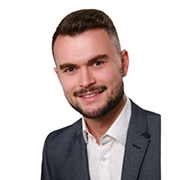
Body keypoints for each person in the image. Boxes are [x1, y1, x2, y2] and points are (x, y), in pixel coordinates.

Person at [41, 9, 161, 180]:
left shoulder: (166, 135)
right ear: (58, 75)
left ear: (123, 63)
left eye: (97, 63)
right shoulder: (55, 148)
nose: (86, 81)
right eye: (70, 69)